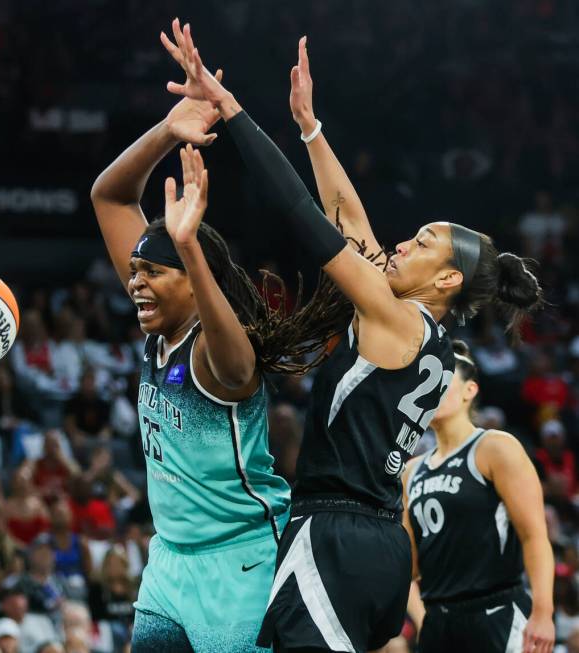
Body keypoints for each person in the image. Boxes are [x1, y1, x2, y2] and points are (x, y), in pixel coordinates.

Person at [161, 21, 543, 652]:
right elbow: (353, 218)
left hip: (334, 535)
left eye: (422, 244)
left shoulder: (396, 316)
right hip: (380, 546)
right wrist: (310, 128)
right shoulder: (424, 332)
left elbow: (309, 220)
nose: (402, 243)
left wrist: (231, 110)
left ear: (447, 277)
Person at [90, 59, 349, 651]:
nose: (135, 283)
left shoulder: (216, 354)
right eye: (134, 272)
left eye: (153, 273)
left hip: (241, 563)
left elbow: (240, 367)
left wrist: (189, 246)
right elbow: (108, 195)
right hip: (169, 562)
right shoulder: (159, 330)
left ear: (191, 281)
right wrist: (165, 130)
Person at [403, 341, 554, 652]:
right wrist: (422, 620)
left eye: (443, 383)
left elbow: (534, 535)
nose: (432, 392)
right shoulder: (411, 471)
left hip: (496, 613)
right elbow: (408, 567)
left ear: (469, 391)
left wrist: (542, 612)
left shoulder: (495, 447)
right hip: (439, 624)